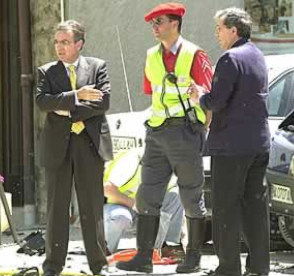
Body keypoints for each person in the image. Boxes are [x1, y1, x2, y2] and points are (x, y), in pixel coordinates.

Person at [115, 2, 213, 274]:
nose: (154, 28)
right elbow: (153, 92)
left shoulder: (195, 54)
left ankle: (193, 258)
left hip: (185, 132)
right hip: (157, 132)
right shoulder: (151, 55)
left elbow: (210, 95)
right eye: (152, 24)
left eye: (159, 22)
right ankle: (144, 258)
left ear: (175, 23)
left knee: (191, 196)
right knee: (147, 195)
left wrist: (202, 126)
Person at [189, 7, 271, 276]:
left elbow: (216, 101)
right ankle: (259, 268)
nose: (217, 33)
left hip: (231, 147)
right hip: (259, 144)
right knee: (256, 210)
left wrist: (199, 96)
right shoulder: (257, 55)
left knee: (225, 210)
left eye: (219, 28)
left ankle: (228, 269)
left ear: (233, 30)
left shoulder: (229, 58)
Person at [35, 20, 113, 276]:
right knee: (57, 208)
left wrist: (64, 109)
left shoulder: (97, 67)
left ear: (79, 44)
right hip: (58, 148)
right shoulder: (46, 71)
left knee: (92, 208)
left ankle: (99, 265)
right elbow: (43, 102)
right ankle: (53, 266)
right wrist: (78, 95)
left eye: (65, 42)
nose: (59, 47)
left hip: (89, 146)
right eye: (57, 42)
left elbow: (103, 103)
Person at [103, 148, 185, 255]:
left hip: (145, 214)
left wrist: (183, 236)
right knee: (120, 217)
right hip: (117, 207)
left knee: (176, 195)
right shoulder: (132, 160)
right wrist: (135, 204)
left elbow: (176, 205)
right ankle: (106, 250)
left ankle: (160, 247)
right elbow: (107, 189)